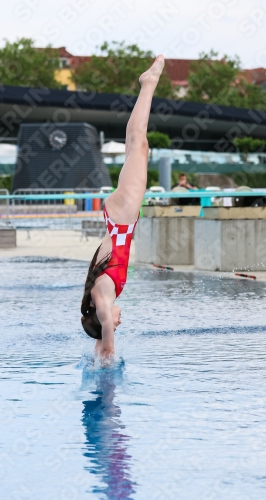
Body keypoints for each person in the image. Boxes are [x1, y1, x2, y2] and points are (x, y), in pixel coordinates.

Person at [81, 55, 165, 358]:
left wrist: (107, 357)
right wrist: (98, 347)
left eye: (115, 326)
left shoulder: (102, 299)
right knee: (135, 145)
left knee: (138, 144)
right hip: (121, 219)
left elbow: (104, 327)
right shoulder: (100, 294)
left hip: (121, 217)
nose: (118, 322)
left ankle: (148, 84)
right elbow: (99, 332)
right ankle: (147, 86)